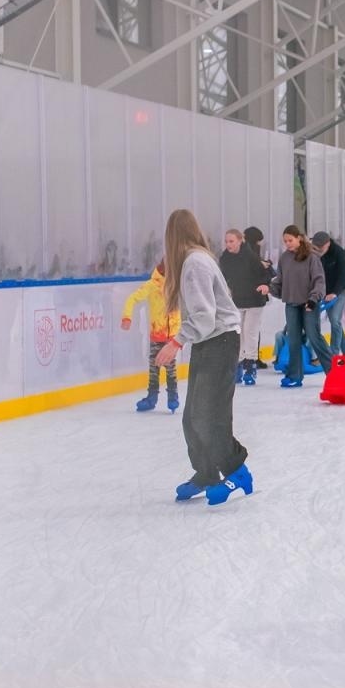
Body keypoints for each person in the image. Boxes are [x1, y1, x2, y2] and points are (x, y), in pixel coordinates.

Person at [154, 210, 251, 505]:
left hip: (219, 340)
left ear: (172, 236)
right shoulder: (192, 261)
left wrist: (175, 342)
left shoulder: (195, 263)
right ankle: (207, 473)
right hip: (210, 342)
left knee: (210, 415)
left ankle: (239, 473)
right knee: (194, 416)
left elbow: (205, 317)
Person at [270, 225, 326, 388]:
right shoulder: (285, 258)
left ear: (299, 238)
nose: (288, 244)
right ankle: (295, 375)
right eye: (285, 241)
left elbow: (319, 281)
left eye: (290, 240)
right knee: (293, 339)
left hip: (309, 303)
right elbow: (279, 283)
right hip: (292, 304)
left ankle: (333, 372)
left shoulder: (311, 257)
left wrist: (314, 299)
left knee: (313, 336)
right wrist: (269, 288)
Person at [121, 261, 181, 413]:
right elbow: (132, 298)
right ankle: (152, 397)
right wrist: (127, 317)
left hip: (173, 338)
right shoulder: (152, 285)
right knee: (154, 367)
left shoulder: (178, 285)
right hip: (157, 335)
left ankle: (172, 397)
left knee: (170, 367)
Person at [218, 228, 272, 383]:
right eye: (226, 241)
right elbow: (223, 278)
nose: (228, 244)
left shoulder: (250, 256)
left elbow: (265, 274)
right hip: (238, 301)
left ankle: (250, 366)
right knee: (238, 333)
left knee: (250, 332)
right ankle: (239, 364)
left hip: (255, 300)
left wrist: (264, 285)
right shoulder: (225, 258)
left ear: (240, 240)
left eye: (232, 241)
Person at [312, 231, 345, 359]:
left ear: (328, 244)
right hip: (325, 292)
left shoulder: (338, 253)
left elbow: (343, 274)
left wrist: (335, 293)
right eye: (315, 247)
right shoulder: (315, 254)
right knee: (336, 322)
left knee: (335, 320)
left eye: (320, 247)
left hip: (339, 291)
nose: (317, 249)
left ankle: (333, 354)